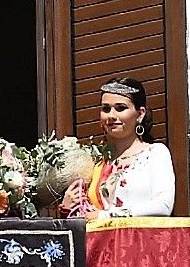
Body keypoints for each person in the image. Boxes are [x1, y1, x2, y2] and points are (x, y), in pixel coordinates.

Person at [59, 77, 175, 217]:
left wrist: (105, 216)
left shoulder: (154, 154)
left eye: (120, 108)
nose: (111, 116)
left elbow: (163, 206)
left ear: (140, 114)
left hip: (139, 238)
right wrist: (68, 206)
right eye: (106, 109)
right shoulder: (97, 163)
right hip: (102, 238)